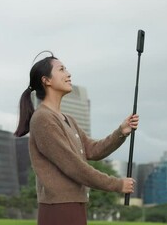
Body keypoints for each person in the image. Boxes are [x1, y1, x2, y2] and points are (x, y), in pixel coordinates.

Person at [14, 51, 139, 225]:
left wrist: (121, 131)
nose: (68, 74)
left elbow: (93, 150)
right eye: (62, 69)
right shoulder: (43, 119)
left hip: (74, 204)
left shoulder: (67, 119)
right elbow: (73, 166)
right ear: (46, 80)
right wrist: (117, 184)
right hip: (58, 208)